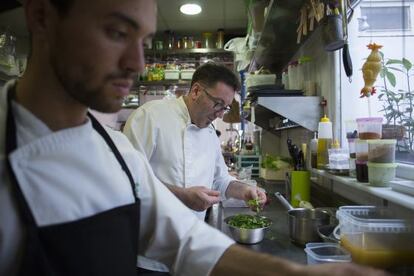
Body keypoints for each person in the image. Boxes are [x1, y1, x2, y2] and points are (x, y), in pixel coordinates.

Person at [0, 1, 388, 276]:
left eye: (143, 41)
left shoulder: (114, 151)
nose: (136, 64)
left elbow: (184, 240)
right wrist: (184, 195)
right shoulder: (150, 117)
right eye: (117, 32)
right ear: (41, 16)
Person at [124, 62, 268, 273]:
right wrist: (182, 195)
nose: (221, 114)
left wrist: (245, 190)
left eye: (226, 107)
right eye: (218, 103)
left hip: (189, 251)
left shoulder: (209, 133)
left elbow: (220, 180)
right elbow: (128, 179)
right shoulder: (150, 116)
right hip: (147, 253)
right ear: (196, 91)